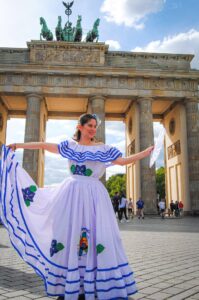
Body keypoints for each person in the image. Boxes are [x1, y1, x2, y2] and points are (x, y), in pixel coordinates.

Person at [0, 113, 153, 300]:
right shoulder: (70, 146)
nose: (93, 129)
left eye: (95, 126)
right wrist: (18, 145)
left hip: (94, 197)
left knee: (98, 236)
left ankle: (96, 281)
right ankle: (72, 281)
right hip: (71, 195)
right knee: (69, 234)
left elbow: (122, 161)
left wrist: (144, 153)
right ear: (79, 127)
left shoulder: (102, 149)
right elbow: (43, 145)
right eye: (90, 125)